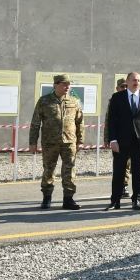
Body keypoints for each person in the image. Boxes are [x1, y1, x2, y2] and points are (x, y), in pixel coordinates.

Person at [29, 74, 84, 210]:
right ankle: (47, 198)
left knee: (69, 170)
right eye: (64, 84)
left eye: (68, 84)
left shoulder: (74, 101)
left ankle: (68, 199)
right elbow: (35, 123)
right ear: (56, 85)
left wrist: (80, 140)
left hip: (69, 142)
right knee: (49, 170)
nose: (67, 87)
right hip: (50, 142)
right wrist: (32, 142)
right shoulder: (44, 101)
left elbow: (80, 122)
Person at [106, 71, 140, 210]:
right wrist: (113, 140)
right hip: (121, 141)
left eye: (138, 80)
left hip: (139, 141)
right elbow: (112, 121)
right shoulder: (117, 98)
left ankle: (136, 199)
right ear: (127, 82)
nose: (136, 82)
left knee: (138, 171)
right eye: (133, 80)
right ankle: (115, 200)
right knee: (118, 171)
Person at [102, 78, 140, 199]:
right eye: (121, 87)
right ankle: (123, 186)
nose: (124, 89)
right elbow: (109, 121)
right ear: (117, 88)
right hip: (121, 139)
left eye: (125, 86)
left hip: (136, 140)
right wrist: (108, 138)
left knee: (139, 167)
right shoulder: (115, 100)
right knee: (122, 167)